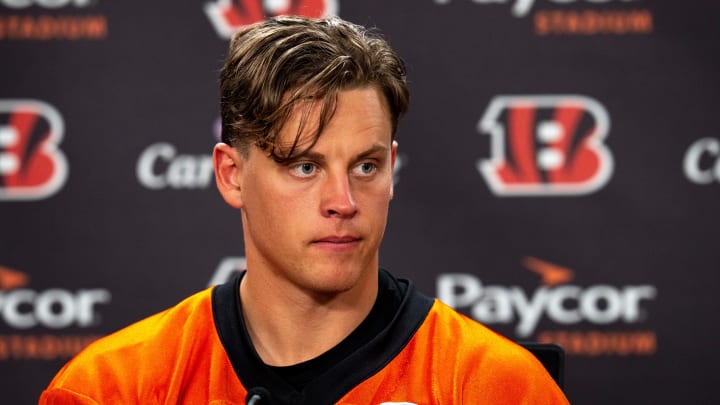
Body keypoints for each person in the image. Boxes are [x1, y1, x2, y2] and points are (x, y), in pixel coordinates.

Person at [40, 15, 569, 404]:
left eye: (365, 167)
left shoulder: (498, 387)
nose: (343, 203)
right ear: (231, 175)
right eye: (304, 167)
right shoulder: (110, 389)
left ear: (392, 169)